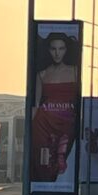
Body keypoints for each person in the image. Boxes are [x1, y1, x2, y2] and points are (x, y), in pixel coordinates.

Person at [30, 32, 80, 183]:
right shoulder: (42, 74)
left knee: (61, 152)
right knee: (43, 158)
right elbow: (36, 103)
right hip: (44, 122)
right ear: (48, 50)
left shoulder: (75, 71)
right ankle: (46, 183)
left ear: (66, 50)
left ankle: (59, 163)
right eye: (53, 49)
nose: (57, 53)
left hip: (67, 119)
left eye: (61, 49)